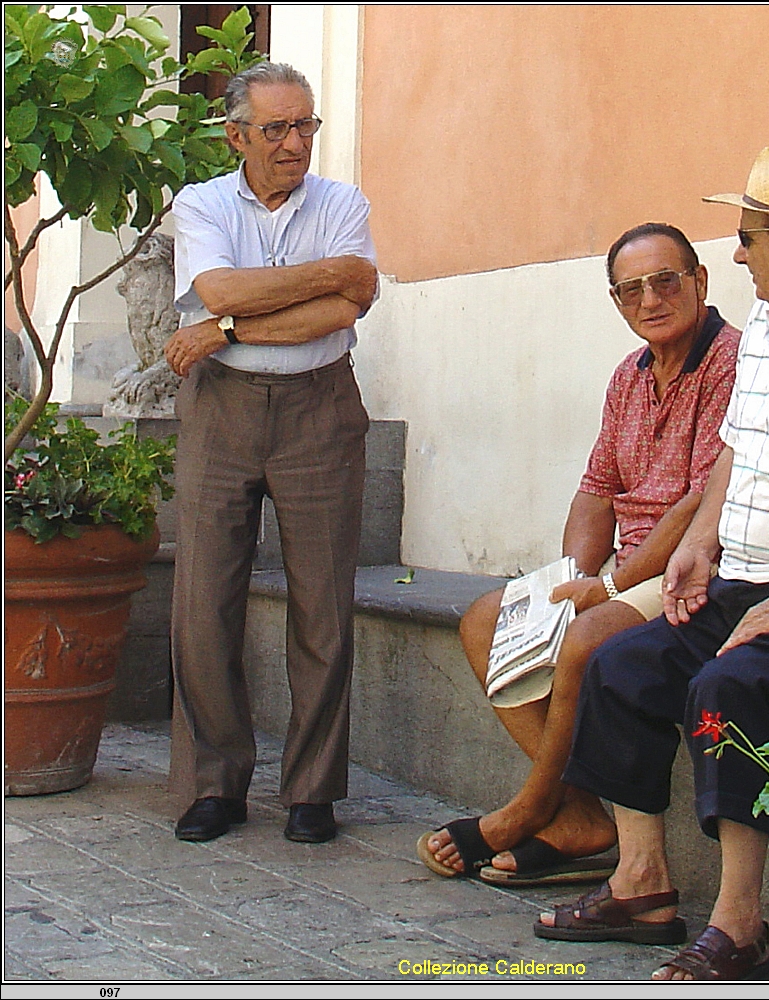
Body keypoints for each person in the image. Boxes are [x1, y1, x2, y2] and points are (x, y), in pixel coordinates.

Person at [535, 148, 769, 979]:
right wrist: (699, 545)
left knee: (729, 686)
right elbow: (734, 453)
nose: (738, 255)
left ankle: (741, 927)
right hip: (751, 579)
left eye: (748, 238)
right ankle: (640, 885)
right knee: (620, 666)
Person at [418, 224, 741, 885]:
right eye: (630, 290)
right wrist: (572, 578)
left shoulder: (731, 361)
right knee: (485, 621)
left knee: (586, 638)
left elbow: (698, 502)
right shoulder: (629, 374)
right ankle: (579, 816)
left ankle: (530, 808)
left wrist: (611, 588)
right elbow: (597, 489)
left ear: (700, 281)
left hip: (694, 565)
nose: (649, 300)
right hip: (628, 567)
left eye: (665, 281)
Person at [164, 62, 378, 844]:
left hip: (319, 407)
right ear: (236, 136)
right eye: (277, 128)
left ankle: (312, 791)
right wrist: (323, 279)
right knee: (202, 602)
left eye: (305, 125)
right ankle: (213, 785)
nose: (294, 144)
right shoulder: (202, 204)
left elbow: (345, 308)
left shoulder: (343, 203)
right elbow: (220, 288)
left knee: (322, 603)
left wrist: (223, 328)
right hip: (220, 408)